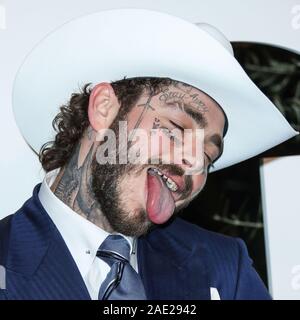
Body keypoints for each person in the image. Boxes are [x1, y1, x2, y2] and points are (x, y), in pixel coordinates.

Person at [0, 9, 297, 300]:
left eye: (208, 156)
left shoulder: (223, 268)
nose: (194, 163)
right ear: (104, 108)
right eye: (177, 127)